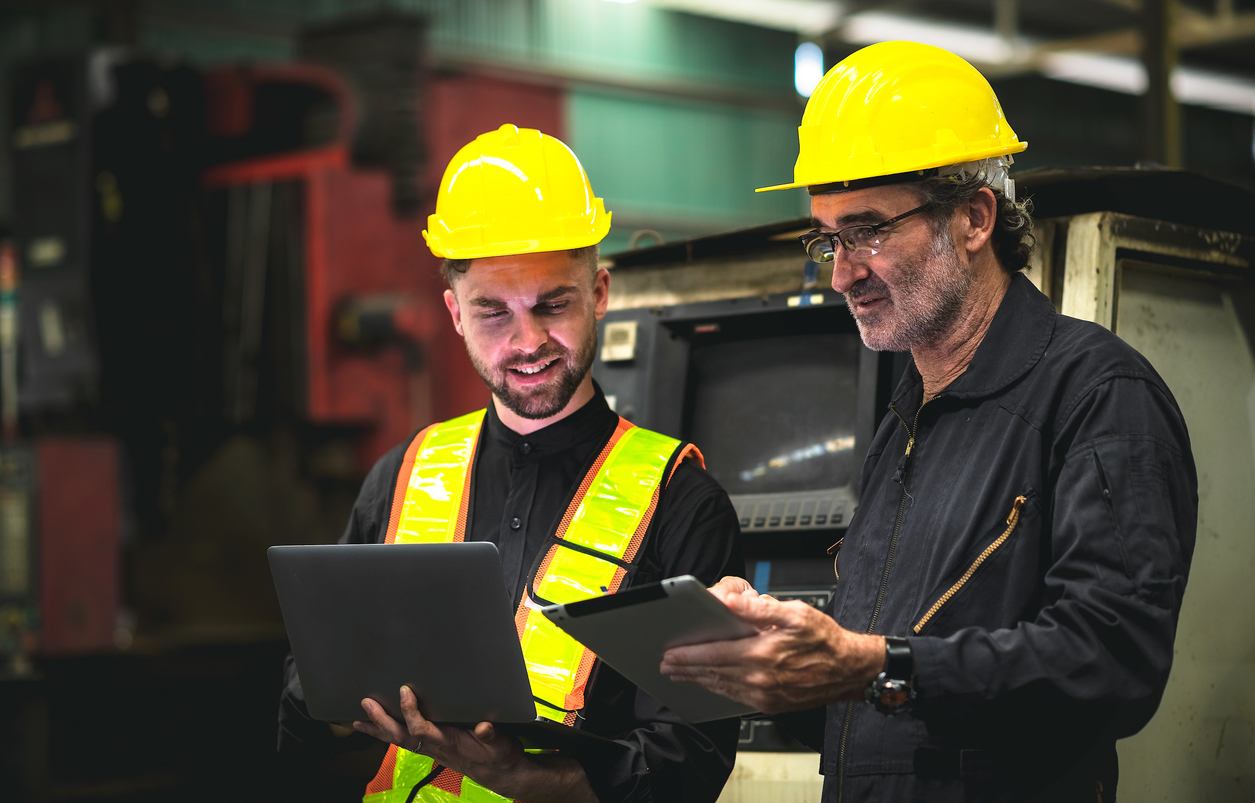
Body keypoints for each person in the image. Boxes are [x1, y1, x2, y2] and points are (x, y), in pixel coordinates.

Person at [659, 41, 1198, 802]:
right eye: (828, 239)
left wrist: (877, 663)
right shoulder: (906, 421)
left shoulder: (1096, 395)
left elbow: (1111, 660)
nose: (841, 272)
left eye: (869, 229)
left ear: (974, 218)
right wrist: (776, 654)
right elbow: (877, 702)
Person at [276, 124, 745, 803]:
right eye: (493, 312)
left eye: (552, 304)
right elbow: (303, 707)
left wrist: (518, 774)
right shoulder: (403, 475)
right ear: (454, 314)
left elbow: (689, 762)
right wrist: (340, 711)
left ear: (601, 293)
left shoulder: (682, 504)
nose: (527, 341)